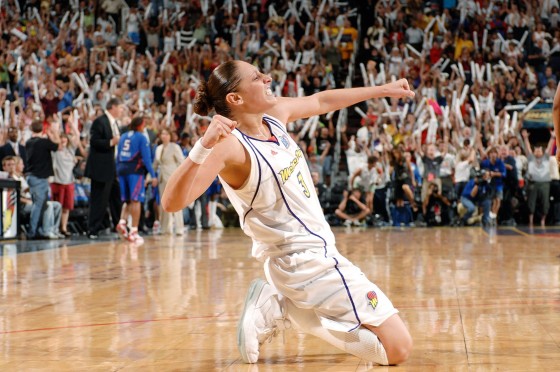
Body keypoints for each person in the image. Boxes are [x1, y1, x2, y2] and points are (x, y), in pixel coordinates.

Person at [162, 60, 413, 365]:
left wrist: (382, 90)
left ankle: (284, 305)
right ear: (235, 99)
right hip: (300, 261)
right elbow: (171, 203)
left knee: (393, 344)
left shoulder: (273, 117)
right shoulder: (229, 147)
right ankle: (289, 309)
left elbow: (322, 100)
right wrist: (203, 145)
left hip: (317, 253)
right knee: (397, 348)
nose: (267, 78)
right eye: (257, 77)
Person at [85, 97, 124, 239]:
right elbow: (94, 141)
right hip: (100, 168)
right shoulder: (99, 121)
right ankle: (92, 229)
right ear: (112, 107)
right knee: (99, 200)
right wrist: (110, 142)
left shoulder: (115, 123)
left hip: (112, 167)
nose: (121, 111)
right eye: (120, 108)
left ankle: (119, 226)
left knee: (116, 198)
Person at [116, 116, 158, 243]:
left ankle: (122, 222)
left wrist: (117, 171)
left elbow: (117, 155)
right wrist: (153, 175)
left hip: (121, 169)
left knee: (128, 200)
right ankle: (134, 231)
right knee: (136, 200)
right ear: (140, 125)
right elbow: (147, 159)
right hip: (134, 170)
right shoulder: (142, 137)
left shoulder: (123, 136)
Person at [25, 120, 61, 239]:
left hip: (32, 176)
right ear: (43, 129)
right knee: (39, 205)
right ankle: (32, 232)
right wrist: (54, 133)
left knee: (41, 205)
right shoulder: (43, 142)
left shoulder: (29, 142)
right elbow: (58, 146)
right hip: (39, 178)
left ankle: (40, 230)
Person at [153, 128, 185, 235]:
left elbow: (182, 162)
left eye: (166, 134)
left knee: (176, 203)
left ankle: (179, 228)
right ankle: (165, 228)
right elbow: (155, 165)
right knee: (164, 204)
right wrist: (150, 177)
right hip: (162, 178)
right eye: (162, 133)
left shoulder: (175, 147)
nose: (164, 136)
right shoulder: (158, 148)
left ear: (170, 136)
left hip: (173, 177)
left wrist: (181, 177)